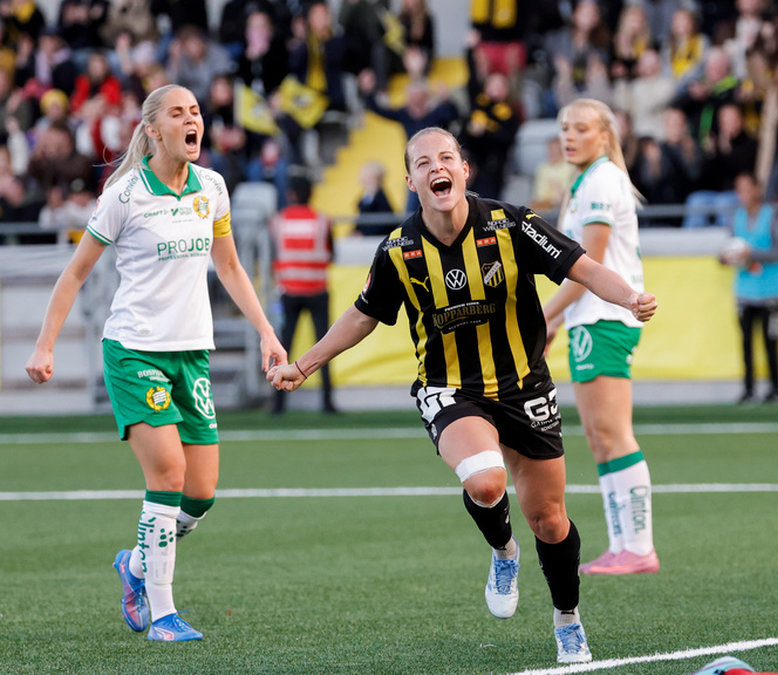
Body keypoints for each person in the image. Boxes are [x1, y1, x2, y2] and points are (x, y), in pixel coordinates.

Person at [267, 126, 657, 664]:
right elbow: (362, 316)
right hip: (449, 387)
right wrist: (303, 365)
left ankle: (567, 617)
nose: (437, 168)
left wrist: (629, 297)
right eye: (423, 163)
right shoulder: (399, 250)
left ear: (464, 170)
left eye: (446, 158)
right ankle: (504, 550)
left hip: (524, 385)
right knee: (486, 479)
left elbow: (583, 267)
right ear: (411, 181)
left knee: (549, 518)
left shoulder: (511, 224)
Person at [24, 84, 287, 642]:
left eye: (196, 112)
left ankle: (136, 565)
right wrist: (45, 345)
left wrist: (266, 331)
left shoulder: (212, 187)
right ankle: (163, 616)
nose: (193, 120)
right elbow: (75, 273)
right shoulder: (123, 196)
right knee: (167, 475)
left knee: (201, 494)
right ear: (153, 130)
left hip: (191, 354)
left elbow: (230, 266)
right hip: (134, 351)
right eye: (178, 113)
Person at [542, 99, 659, 577]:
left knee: (612, 434)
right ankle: (623, 546)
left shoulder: (601, 181)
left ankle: (638, 547)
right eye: (565, 128)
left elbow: (588, 266)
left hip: (604, 319)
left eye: (581, 129)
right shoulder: (586, 182)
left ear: (605, 136)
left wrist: (544, 316)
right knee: (599, 437)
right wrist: (556, 323)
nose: (569, 137)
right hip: (590, 319)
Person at [270, 176, 336, 415]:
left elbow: (273, 254)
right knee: (326, 348)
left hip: (289, 291)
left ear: (291, 195)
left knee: (283, 349)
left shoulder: (278, 222)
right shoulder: (322, 221)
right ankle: (327, 402)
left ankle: (277, 404)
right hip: (317, 290)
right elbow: (331, 255)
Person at [719, 172, 778, 405]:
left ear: (757, 189)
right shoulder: (736, 217)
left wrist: (751, 254)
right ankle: (748, 389)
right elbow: (726, 250)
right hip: (745, 292)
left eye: (747, 189)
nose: (743, 195)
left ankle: (776, 388)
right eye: (740, 190)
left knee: (770, 342)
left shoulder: (770, 216)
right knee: (746, 343)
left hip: (770, 291)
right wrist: (727, 257)